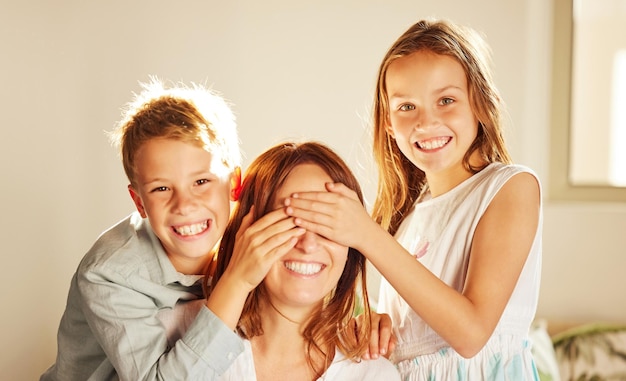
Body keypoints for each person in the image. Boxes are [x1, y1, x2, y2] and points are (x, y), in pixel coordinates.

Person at [283, 19, 543, 380]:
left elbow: (471, 335)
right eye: (407, 107)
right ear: (388, 122)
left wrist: (366, 235)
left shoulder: (510, 187)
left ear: (483, 105)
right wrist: (376, 324)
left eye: (446, 100)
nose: (426, 122)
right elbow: (418, 333)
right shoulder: (408, 221)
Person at [40, 78, 307, 380]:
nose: (184, 205)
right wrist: (237, 280)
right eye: (162, 188)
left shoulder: (246, 242)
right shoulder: (109, 274)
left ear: (233, 183)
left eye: (201, 182)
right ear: (139, 202)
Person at [212, 142, 401, 380]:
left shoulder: (375, 375)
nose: (309, 244)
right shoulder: (182, 335)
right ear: (246, 231)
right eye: (290, 221)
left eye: (327, 224)